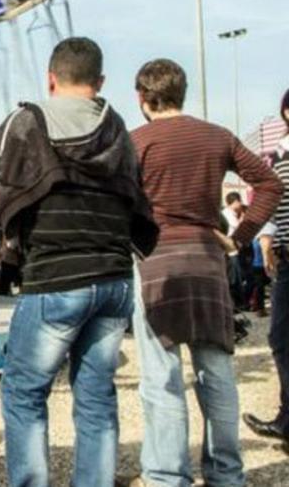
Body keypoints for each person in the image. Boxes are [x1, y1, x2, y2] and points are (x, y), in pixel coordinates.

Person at [0, 37, 158, 487]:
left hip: (55, 278)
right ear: (100, 82)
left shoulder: (26, 122)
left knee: (24, 394)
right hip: (114, 279)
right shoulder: (118, 129)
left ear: (50, 77)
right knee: (98, 397)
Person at [129, 58, 281, 487]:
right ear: (183, 91)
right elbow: (270, 183)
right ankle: (227, 475)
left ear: (142, 97)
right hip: (208, 263)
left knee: (162, 378)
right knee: (216, 374)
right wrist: (241, 234)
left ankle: (165, 476)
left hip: (155, 265)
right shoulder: (217, 137)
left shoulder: (134, 142)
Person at [244, 88, 289, 450]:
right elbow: (273, 200)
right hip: (285, 256)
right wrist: (266, 236)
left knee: (282, 338)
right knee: (280, 338)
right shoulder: (280, 156)